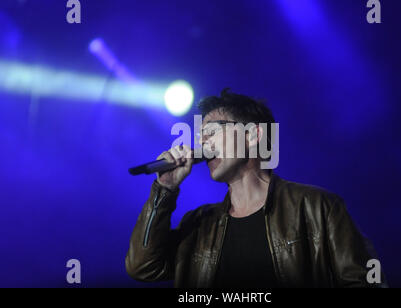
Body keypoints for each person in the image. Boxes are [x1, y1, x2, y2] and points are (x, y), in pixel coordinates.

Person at [125, 89, 386, 288]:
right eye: (200, 135)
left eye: (212, 131)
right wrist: (165, 190)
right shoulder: (199, 225)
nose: (202, 142)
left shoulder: (317, 207)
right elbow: (142, 267)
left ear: (252, 135)